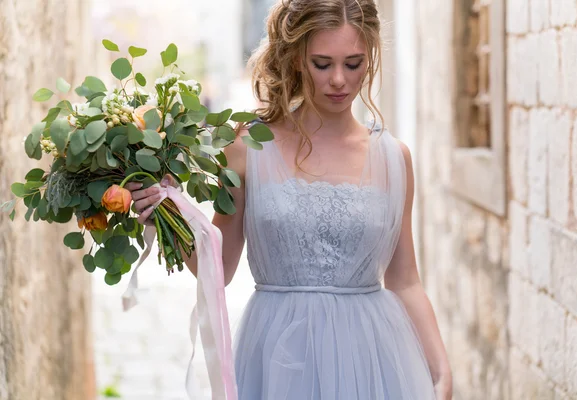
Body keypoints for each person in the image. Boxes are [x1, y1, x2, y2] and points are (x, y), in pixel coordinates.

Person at [127, 0, 452, 398]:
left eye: (354, 64)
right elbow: (219, 268)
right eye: (322, 63)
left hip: (371, 359)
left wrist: (439, 366)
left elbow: (405, 280)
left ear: (371, 58)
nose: (339, 80)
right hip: (276, 356)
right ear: (297, 59)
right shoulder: (248, 148)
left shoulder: (394, 158)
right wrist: (165, 213)